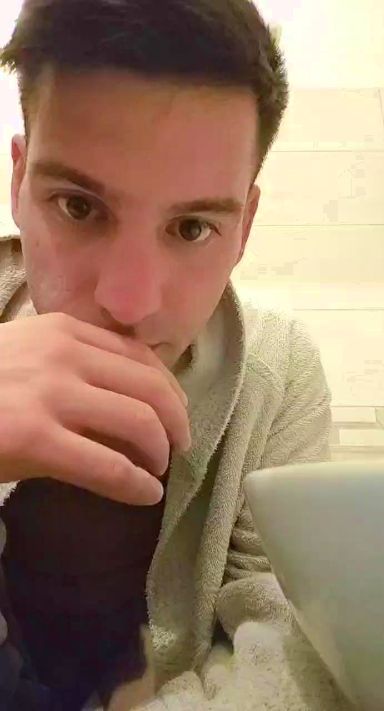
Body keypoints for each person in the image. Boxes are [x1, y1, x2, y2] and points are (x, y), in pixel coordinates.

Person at [0, 1, 351, 709]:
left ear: (243, 228)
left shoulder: (278, 374)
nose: (129, 302)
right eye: (78, 206)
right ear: (19, 181)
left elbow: (295, 653)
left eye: (192, 227)